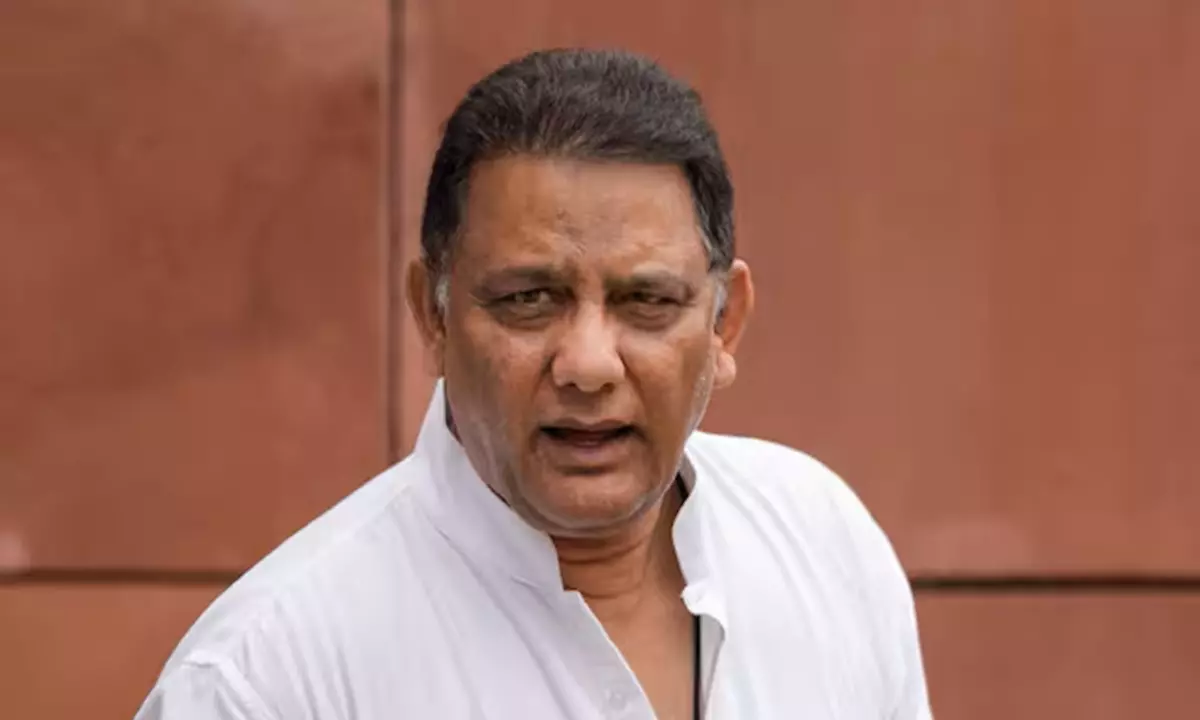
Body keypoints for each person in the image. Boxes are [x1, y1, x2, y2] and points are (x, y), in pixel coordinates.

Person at [136, 48, 932, 720]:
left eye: (646, 301)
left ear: (724, 324)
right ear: (433, 315)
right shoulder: (265, 680)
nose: (588, 364)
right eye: (528, 299)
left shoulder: (821, 542)